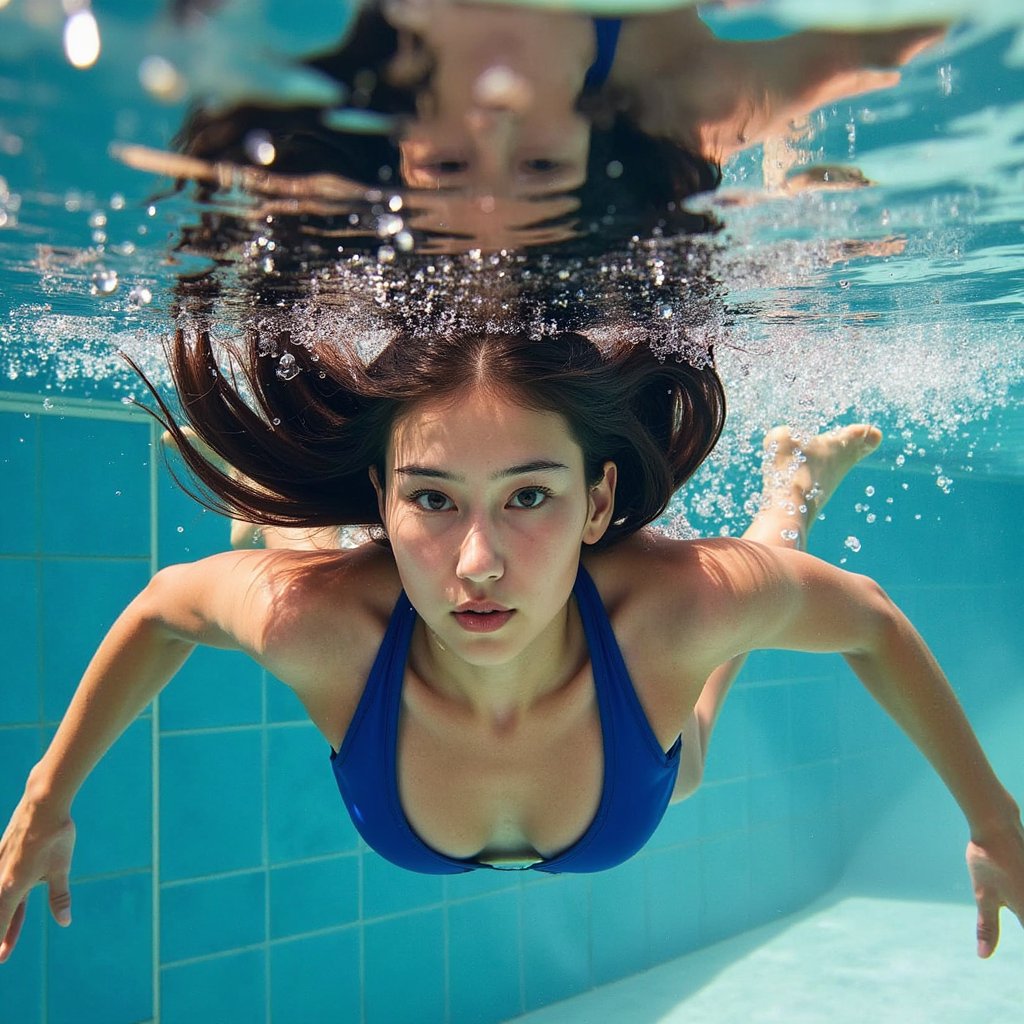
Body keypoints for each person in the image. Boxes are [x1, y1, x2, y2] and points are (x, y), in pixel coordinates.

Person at [1, 329, 1022, 963]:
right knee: (305, 586)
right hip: (395, 625)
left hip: (625, 746)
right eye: (433, 499)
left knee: (696, 718)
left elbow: (871, 618)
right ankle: (289, 528)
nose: (480, 563)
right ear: (384, 500)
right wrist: (45, 804)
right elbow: (162, 610)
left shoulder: (669, 609)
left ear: (598, 501)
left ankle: (789, 484)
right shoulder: (326, 629)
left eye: (529, 495)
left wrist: (994, 820)